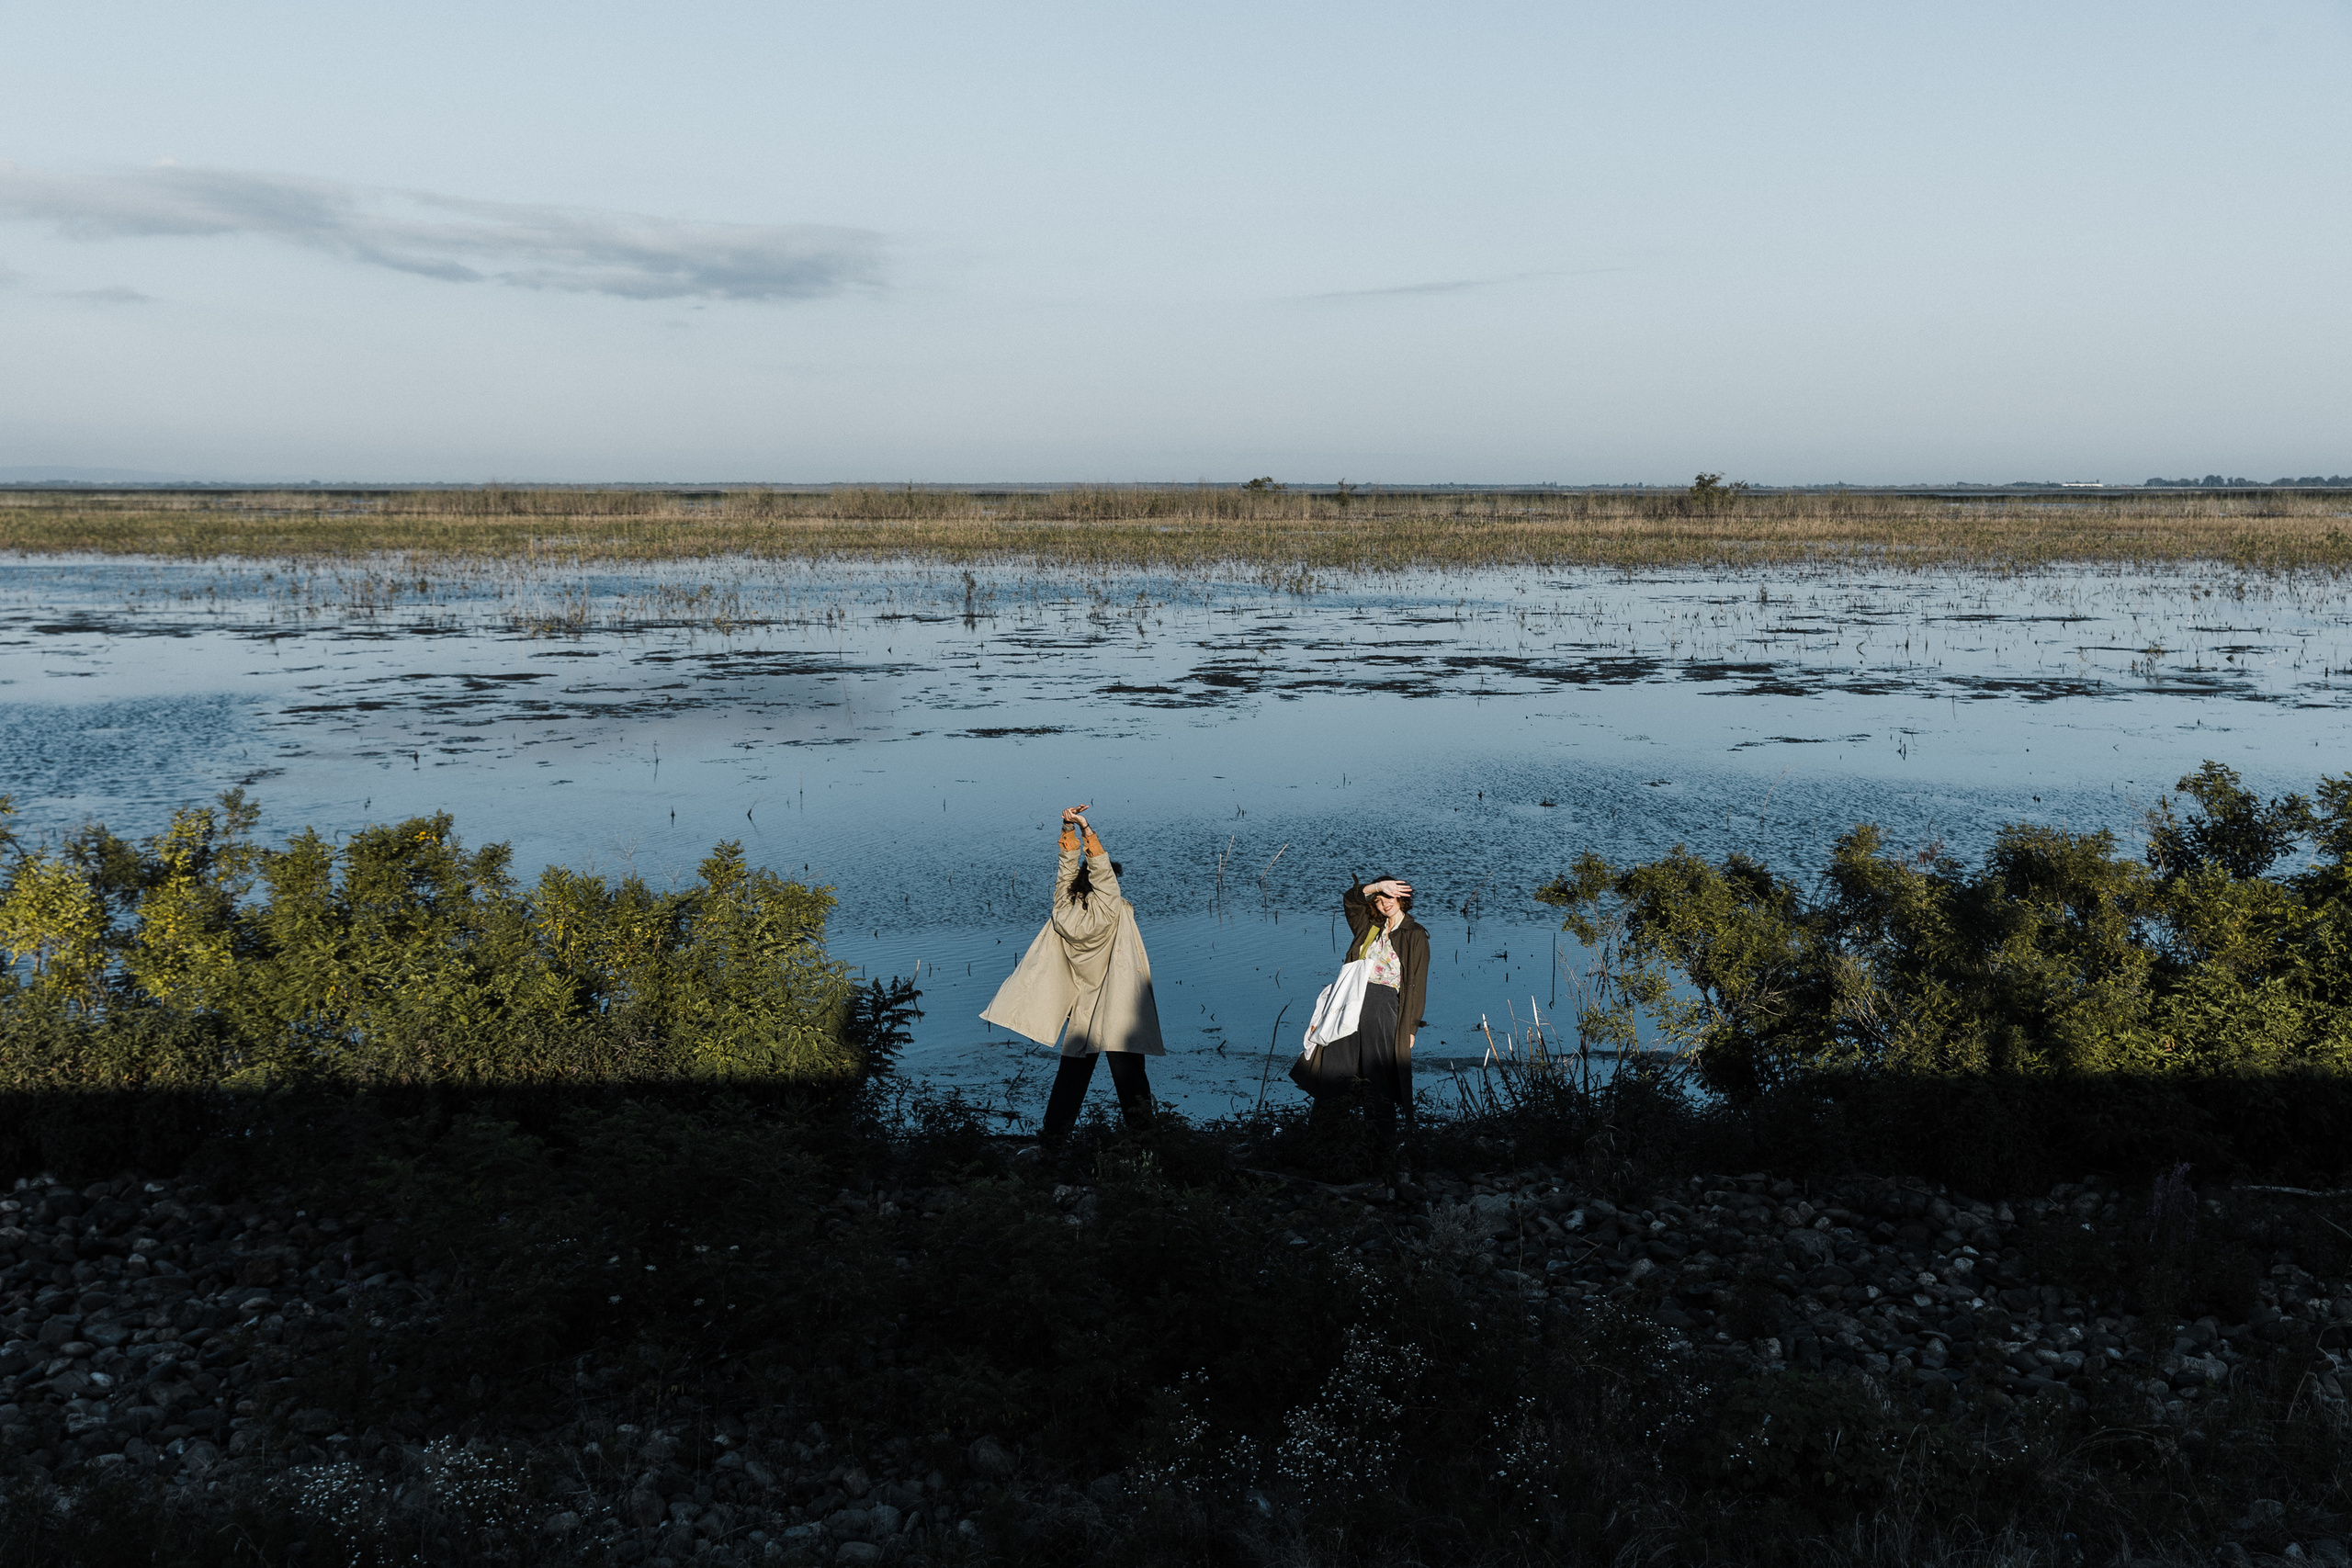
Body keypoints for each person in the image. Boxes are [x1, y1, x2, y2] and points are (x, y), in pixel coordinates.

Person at [980, 805, 1164, 1140]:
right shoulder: (1108, 908)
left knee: (1071, 1079)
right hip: (1118, 1006)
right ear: (1103, 887)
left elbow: (1066, 875)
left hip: (1083, 1009)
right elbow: (1102, 871)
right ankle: (1145, 1141)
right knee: (1131, 1080)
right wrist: (1087, 830)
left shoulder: (1063, 909)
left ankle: (1052, 1142)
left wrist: (1068, 830)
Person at [1294, 874, 1428, 1134]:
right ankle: (1322, 1137)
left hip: (1383, 1006)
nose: (1385, 903)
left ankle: (1381, 1143)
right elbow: (1350, 900)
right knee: (1335, 1069)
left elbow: (1417, 981)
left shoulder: (1415, 933)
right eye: (1379, 899)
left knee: (1378, 1077)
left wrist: (1411, 1027)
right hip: (1349, 1003)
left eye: (1389, 897)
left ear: (1401, 898)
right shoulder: (1368, 925)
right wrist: (1377, 887)